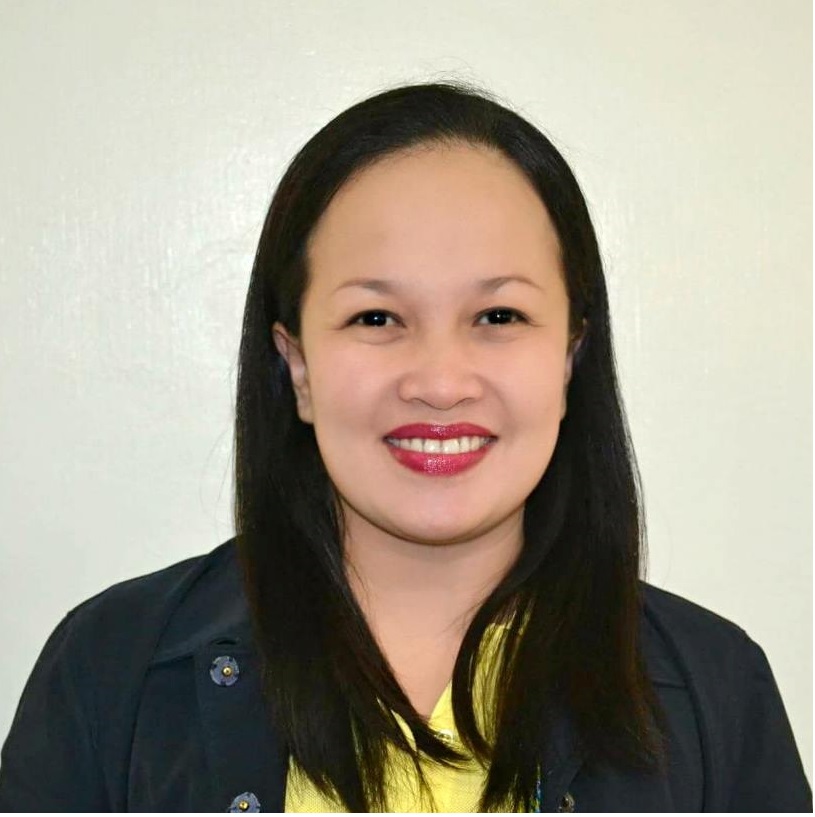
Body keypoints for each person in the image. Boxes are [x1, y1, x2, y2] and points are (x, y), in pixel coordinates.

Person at [0, 82, 809, 814]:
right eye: (376, 318)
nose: (440, 381)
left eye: (498, 316)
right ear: (297, 366)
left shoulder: (715, 688)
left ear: (568, 358)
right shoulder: (110, 666)